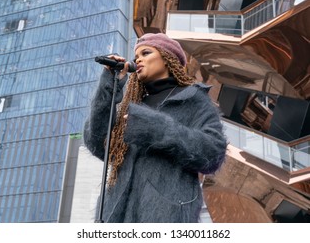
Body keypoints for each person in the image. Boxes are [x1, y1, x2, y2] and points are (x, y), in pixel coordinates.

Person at [83, 33, 227, 223]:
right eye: (136, 57)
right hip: (115, 216)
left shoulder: (194, 99)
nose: (138, 59)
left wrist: (157, 128)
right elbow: (98, 144)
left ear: (168, 59)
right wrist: (108, 87)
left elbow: (213, 153)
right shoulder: (131, 104)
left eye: (146, 53)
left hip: (166, 215)